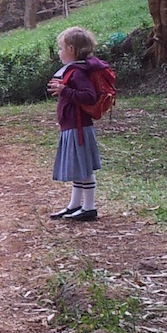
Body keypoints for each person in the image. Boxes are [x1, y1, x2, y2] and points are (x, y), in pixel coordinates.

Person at [46, 26, 109, 222]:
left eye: (61, 48)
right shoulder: (73, 71)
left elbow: (89, 97)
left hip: (79, 127)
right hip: (71, 127)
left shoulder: (78, 72)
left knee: (84, 168)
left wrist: (65, 90)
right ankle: (74, 205)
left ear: (71, 49)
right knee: (78, 168)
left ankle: (89, 207)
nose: (59, 52)